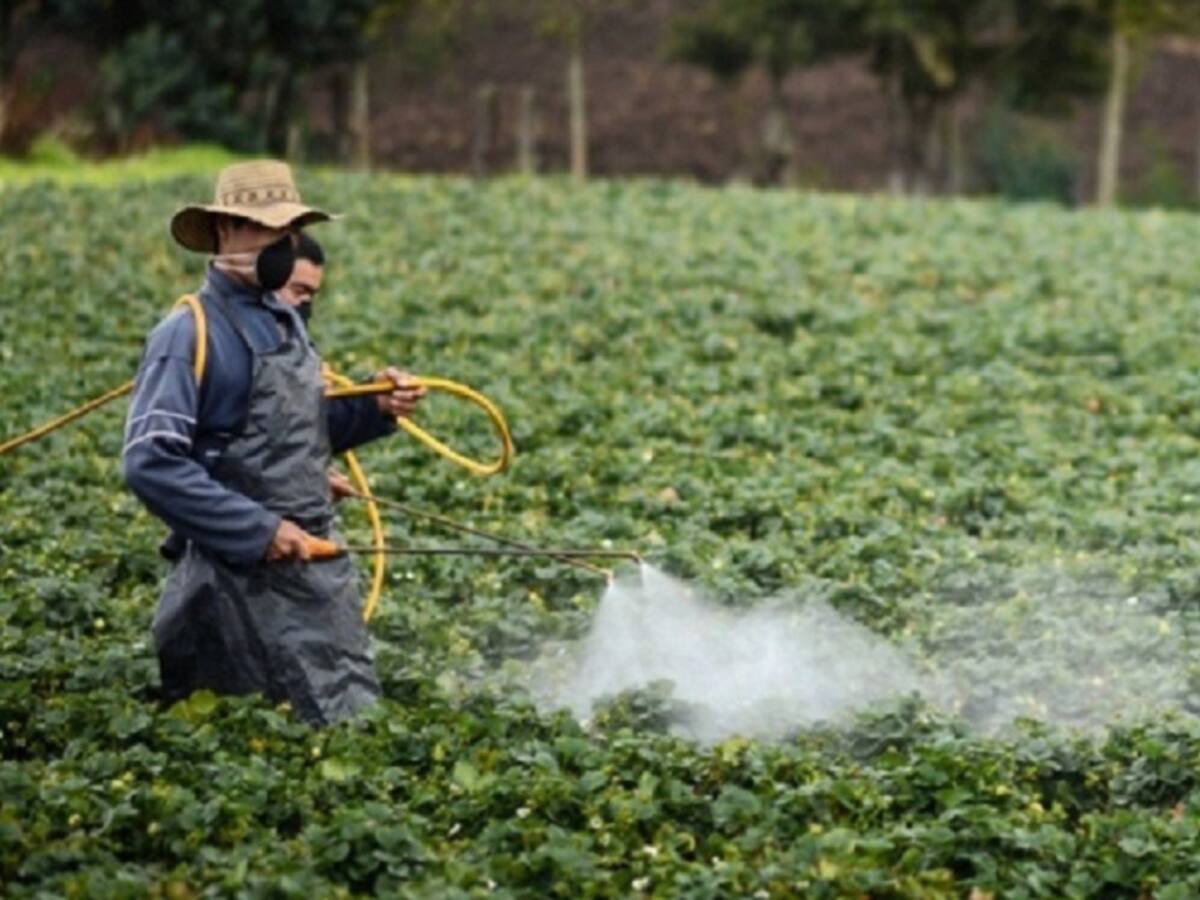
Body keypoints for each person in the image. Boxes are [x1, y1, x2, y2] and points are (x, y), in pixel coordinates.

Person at [123, 160, 423, 725]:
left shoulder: (285, 322)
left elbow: (292, 428)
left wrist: (374, 408)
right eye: (265, 229)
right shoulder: (187, 333)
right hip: (233, 596)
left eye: (288, 231)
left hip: (315, 581)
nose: (280, 244)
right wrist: (260, 531)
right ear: (223, 231)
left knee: (350, 731)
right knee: (258, 739)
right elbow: (150, 463)